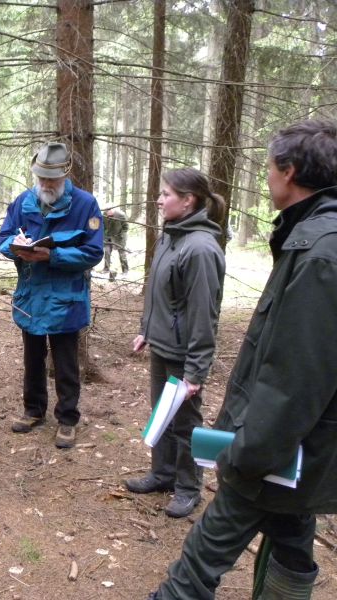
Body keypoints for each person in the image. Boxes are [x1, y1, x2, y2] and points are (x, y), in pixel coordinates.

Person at [147, 120, 337, 600]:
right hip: (292, 450)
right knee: (291, 542)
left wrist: (248, 454)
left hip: (272, 452)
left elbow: (300, 376)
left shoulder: (327, 253)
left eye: (270, 166)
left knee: (196, 568)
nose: (266, 176)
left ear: (288, 171)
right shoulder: (319, 238)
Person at [126, 168, 226, 519]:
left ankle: (188, 488)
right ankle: (163, 474)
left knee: (186, 424)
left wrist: (196, 372)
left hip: (184, 354)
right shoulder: (170, 236)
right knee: (162, 415)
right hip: (163, 345)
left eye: (166, 194)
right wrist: (147, 330)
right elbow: (161, 294)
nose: (159, 200)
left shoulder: (200, 248)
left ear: (188, 201)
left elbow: (203, 314)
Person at [0, 142, 103, 449]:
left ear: (65, 176)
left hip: (66, 300)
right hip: (31, 295)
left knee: (66, 362)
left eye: (52, 179)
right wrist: (16, 248)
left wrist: (52, 256)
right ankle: (33, 411)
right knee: (32, 359)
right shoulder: (23, 201)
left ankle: (67, 419)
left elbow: (93, 252)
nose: (46, 184)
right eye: (41, 178)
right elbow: (4, 237)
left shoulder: (85, 205)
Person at [102, 207, 129, 274]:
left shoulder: (121, 215)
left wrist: (121, 235)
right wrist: (104, 235)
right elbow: (103, 226)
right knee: (107, 251)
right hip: (108, 237)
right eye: (106, 212)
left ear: (113, 210)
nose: (107, 213)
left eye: (109, 211)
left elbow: (126, 227)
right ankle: (106, 269)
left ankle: (125, 270)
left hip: (119, 237)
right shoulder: (104, 215)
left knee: (122, 254)